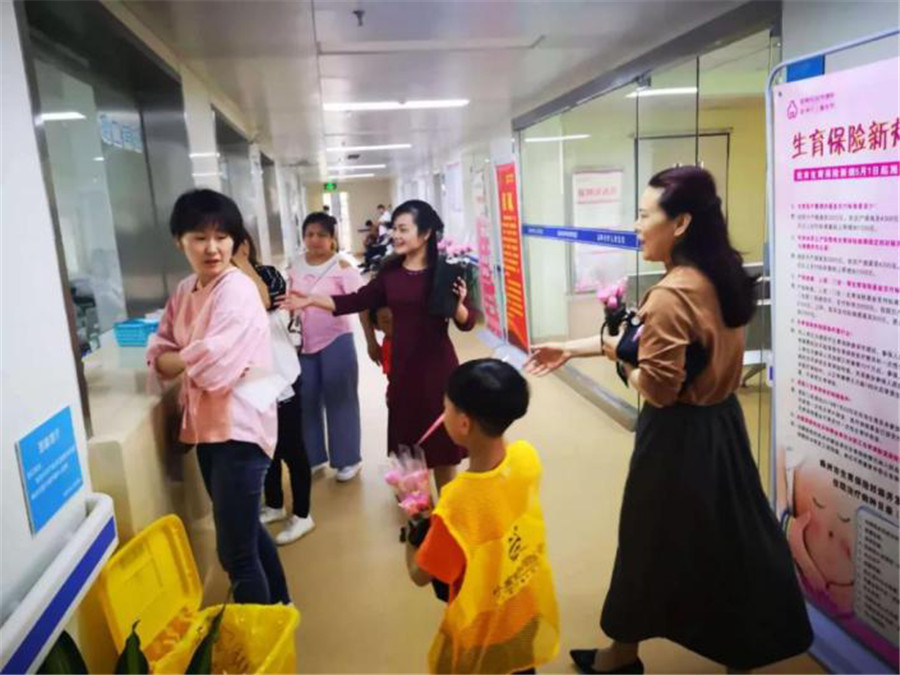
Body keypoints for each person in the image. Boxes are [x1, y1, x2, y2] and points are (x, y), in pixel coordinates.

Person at [526, 167, 812, 673]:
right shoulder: (720, 276)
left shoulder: (671, 295)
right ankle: (740, 654)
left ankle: (621, 655)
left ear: (680, 223)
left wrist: (624, 367)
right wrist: (571, 348)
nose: (636, 226)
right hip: (722, 426)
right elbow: (640, 346)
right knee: (731, 536)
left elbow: (657, 388)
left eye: (643, 215)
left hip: (675, 438)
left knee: (646, 539)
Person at [147, 189, 289, 604]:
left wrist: (182, 359)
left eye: (222, 237)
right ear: (179, 241)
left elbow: (214, 369)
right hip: (209, 430)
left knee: (236, 554)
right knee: (246, 532)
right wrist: (185, 357)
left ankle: (258, 636)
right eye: (199, 237)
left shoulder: (237, 290)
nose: (212, 248)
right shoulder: (186, 289)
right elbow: (159, 351)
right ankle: (281, 607)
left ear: (235, 241)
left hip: (241, 430)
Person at [281, 200, 475, 492]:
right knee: (408, 446)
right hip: (402, 370)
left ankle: (447, 513)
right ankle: (419, 511)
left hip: (438, 370)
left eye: (403, 229)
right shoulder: (390, 273)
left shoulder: (445, 271)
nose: (395, 235)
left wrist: (458, 306)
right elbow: (355, 300)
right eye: (394, 228)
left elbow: (467, 322)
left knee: (443, 448)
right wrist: (311, 300)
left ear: (425, 234)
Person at [405, 359, 560, 674]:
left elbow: (420, 574)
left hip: (483, 632)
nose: (442, 415)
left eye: (445, 408)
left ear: (463, 424)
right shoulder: (525, 457)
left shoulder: (457, 505)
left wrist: (415, 527)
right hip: (524, 610)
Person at [232, 236, 315, 545]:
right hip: (253, 383)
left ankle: (303, 514)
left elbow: (266, 303)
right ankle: (276, 503)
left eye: (227, 242)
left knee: (293, 449)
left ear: (244, 245)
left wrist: (242, 263)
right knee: (267, 447)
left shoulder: (267, 274)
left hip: (282, 376)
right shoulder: (223, 285)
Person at [284, 212, 365, 482]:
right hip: (303, 343)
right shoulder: (295, 265)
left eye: (321, 235)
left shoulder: (342, 265)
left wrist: (371, 340)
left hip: (336, 339)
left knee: (341, 399)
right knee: (306, 400)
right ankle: (313, 456)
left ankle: (348, 459)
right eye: (310, 234)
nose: (315, 240)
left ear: (332, 238)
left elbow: (359, 302)